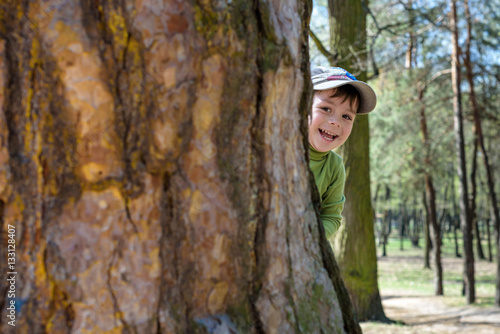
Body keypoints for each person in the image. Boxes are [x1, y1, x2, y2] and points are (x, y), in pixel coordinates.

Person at [309, 67, 377, 239]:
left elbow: (331, 216)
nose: (335, 122)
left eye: (346, 117)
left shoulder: (334, 166)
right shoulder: (275, 149)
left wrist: (310, 240)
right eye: (326, 108)